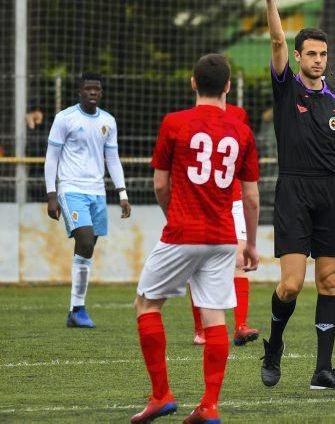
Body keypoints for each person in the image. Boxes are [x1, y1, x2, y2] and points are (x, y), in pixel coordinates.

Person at [255, 0, 335, 391]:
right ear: (300, 57)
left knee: (329, 281)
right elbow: (276, 38)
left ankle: (323, 371)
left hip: (329, 194)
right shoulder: (286, 87)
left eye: (323, 54)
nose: (317, 60)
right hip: (292, 189)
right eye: (311, 54)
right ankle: (274, 348)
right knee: (290, 285)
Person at [131, 54, 260, 423]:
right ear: (228, 87)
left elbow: (159, 183)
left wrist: (174, 217)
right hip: (223, 237)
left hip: (183, 231)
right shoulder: (242, 131)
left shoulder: (175, 123)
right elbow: (250, 197)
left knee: (146, 305)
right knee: (215, 315)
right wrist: (249, 243)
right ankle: (209, 405)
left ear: (192, 83)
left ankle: (161, 396)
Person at [44, 72, 131, 328]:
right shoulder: (65, 118)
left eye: (97, 89)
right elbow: (52, 157)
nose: (93, 93)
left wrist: (122, 193)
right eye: (88, 88)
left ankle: (75, 310)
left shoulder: (108, 121)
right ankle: (79, 308)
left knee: (87, 248)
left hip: (97, 192)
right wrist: (51, 194)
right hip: (71, 188)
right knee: (84, 240)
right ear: (79, 91)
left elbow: (112, 159)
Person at [189, 102, 260, 347]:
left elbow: (243, 152)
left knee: (239, 260)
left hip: (234, 199)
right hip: (202, 199)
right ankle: (200, 329)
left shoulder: (239, 114)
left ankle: (240, 326)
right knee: (199, 263)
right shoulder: (193, 117)